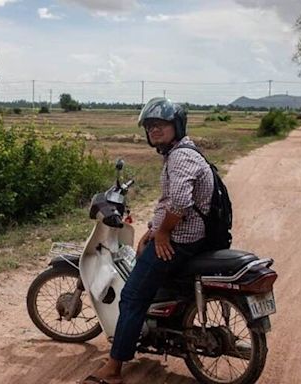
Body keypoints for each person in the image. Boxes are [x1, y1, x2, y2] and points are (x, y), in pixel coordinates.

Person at [82, 97, 214, 384]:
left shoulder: (180, 156)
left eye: (161, 124)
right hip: (189, 236)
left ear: (176, 126)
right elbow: (169, 201)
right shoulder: (182, 152)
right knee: (145, 268)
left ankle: (114, 368)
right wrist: (153, 230)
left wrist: (163, 233)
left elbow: (179, 202)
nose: (154, 130)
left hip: (180, 240)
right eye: (150, 125)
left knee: (131, 296)